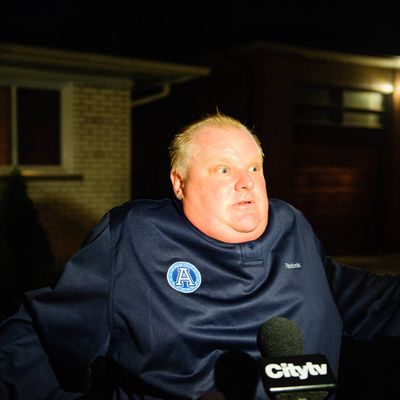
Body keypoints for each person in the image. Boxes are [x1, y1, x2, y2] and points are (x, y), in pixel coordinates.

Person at [0, 112, 399, 399]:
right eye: (223, 170)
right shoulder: (135, 237)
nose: (246, 183)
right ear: (179, 182)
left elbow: (348, 294)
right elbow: (33, 332)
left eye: (254, 168)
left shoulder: (290, 224)